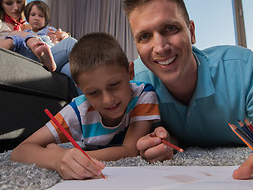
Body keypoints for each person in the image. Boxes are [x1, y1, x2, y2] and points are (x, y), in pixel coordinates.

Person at [123, 0, 253, 184]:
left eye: (170, 28)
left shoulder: (241, 67)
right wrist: (165, 141)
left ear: (192, 32)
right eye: (144, 36)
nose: (160, 47)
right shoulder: (136, 80)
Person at [10, 32, 161, 180]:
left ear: (130, 72)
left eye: (114, 84)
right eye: (93, 92)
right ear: (81, 88)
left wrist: (77, 156)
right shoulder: (78, 110)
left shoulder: (143, 94)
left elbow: (130, 150)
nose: (108, 100)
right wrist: (57, 158)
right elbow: (19, 151)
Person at [0, 0, 76, 75]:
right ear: (0, 4)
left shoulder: (29, 26)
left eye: (19, 1)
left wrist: (62, 37)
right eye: (9, 3)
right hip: (21, 62)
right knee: (69, 44)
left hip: (42, 58)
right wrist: (17, 35)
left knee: (69, 68)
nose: (16, 7)